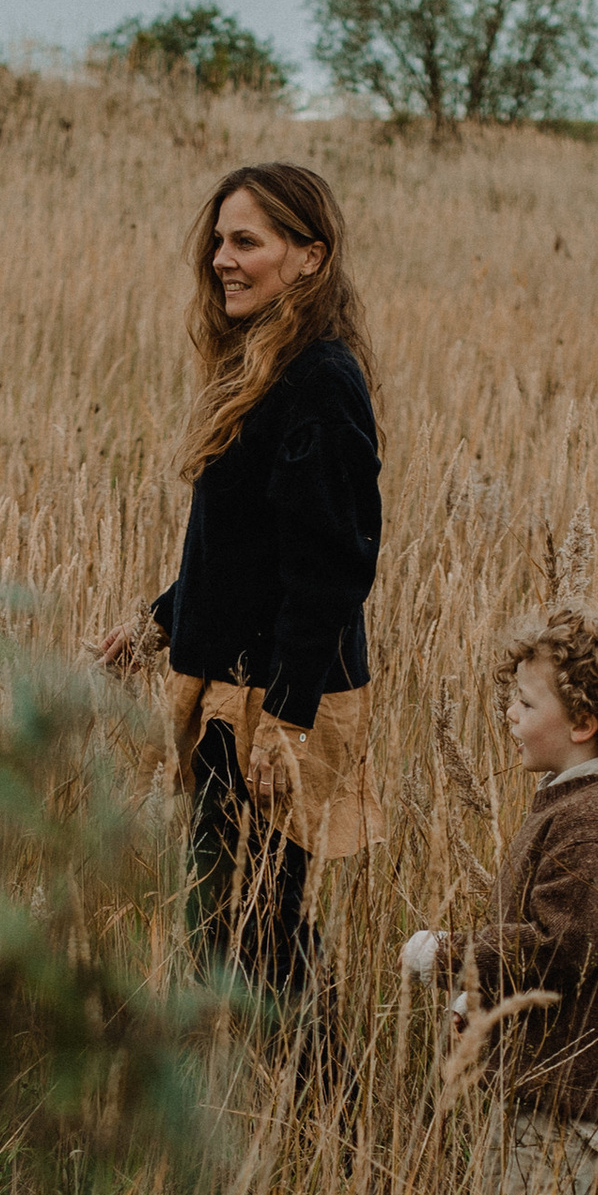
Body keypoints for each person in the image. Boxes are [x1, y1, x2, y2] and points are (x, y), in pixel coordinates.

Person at [97, 162, 381, 1012]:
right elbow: (237, 555)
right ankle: (273, 1119)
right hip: (232, 691)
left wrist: (286, 725)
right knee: (230, 925)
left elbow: (330, 570)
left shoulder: (320, 382)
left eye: (246, 241)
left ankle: (327, 1125)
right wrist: (153, 625)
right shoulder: (261, 369)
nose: (222, 258)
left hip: (271, 705)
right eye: (219, 240)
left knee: (262, 931)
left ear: (309, 258)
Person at [404, 607, 598, 1195]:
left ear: (582, 724)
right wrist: (479, 1004)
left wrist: (451, 957)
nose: (510, 717)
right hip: (538, 1081)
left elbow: (558, 950)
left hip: (565, 1093)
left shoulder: (597, 821)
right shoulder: (569, 801)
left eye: (525, 703)